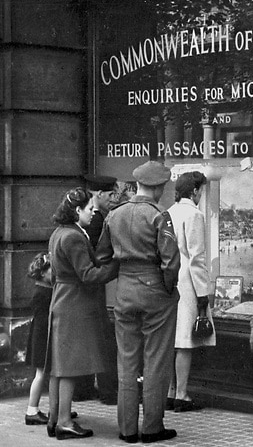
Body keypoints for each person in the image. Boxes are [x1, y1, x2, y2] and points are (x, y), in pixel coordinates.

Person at [96, 160, 180, 444]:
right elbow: (170, 262)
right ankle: (152, 427)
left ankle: (127, 429)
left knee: (127, 362)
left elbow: (102, 256)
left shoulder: (115, 214)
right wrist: (167, 289)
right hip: (155, 291)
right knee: (156, 360)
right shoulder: (159, 215)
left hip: (125, 291)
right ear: (157, 187)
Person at [45, 187, 119, 440]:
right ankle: (65, 421)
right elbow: (88, 275)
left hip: (62, 300)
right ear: (77, 210)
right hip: (75, 304)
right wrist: (115, 267)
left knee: (58, 365)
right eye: (90, 208)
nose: (94, 212)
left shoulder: (59, 233)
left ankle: (55, 417)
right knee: (69, 366)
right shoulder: (74, 237)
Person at [166, 171, 215, 412]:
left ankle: (170, 391)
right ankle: (182, 395)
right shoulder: (194, 215)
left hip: (169, 278)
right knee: (185, 340)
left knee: (172, 339)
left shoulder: (168, 213)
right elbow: (197, 258)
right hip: (187, 281)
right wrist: (203, 292)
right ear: (194, 191)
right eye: (200, 191)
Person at [72, 174, 118, 405]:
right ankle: (110, 392)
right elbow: (96, 259)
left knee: (86, 340)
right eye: (110, 195)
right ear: (98, 194)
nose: (113, 199)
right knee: (103, 340)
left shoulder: (79, 223)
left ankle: (82, 389)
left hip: (79, 292)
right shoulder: (98, 220)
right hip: (92, 289)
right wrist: (113, 269)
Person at [24, 252, 53, 425]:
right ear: (43, 272)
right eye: (51, 270)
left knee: (42, 374)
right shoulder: (43, 292)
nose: (54, 273)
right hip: (43, 338)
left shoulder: (41, 289)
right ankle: (31, 410)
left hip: (40, 336)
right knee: (40, 374)